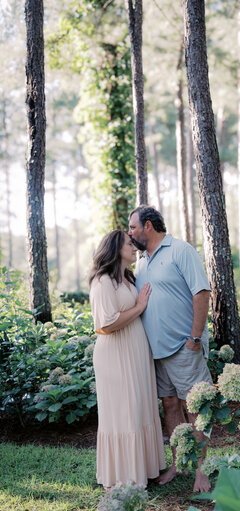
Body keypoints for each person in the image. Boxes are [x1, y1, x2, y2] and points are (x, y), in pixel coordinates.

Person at [129, 206, 213, 493]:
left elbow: (201, 292)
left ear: (148, 226)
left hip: (183, 346)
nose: (130, 233)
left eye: (133, 227)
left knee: (195, 407)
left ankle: (202, 471)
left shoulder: (180, 250)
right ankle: (178, 463)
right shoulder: (141, 261)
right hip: (155, 352)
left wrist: (195, 338)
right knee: (170, 405)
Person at [89, 230, 166, 489]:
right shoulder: (103, 282)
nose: (134, 247)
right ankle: (124, 475)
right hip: (115, 354)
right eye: (128, 243)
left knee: (140, 407)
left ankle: (143, 469)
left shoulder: (127, 279)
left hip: (135, 351)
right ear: (115, 248)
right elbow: (107, 324)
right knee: (124, 412)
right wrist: (139, 308)